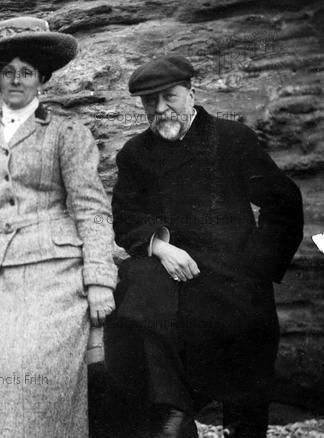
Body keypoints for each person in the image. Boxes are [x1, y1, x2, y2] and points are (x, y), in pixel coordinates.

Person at [106, 55, 304, 438]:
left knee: (245, 401)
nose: (161, 110)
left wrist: (257, 268)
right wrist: (160, 246)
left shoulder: (232, 139)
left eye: (170, 97)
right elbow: (125, 218)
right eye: (150, 102)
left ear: (191, 93)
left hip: (236, 285)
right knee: (134, 290)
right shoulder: (135, 154)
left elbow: (283, 203)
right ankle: (172, 416)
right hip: (176, 284)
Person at [0, 17, 118, 437]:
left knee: (38, 384)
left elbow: (92, 209)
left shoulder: (66, 133)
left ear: (42, 78)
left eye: (26, 72)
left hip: (56, 278)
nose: (16, 81)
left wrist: (99, 279)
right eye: (8, 72)